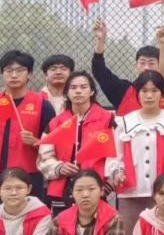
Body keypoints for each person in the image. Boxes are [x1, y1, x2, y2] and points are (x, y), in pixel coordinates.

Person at [0, 50, 56, 216]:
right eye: (9, 70)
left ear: (29, 74)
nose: (14, 75)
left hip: (27, 180)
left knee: (28, 226)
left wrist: (35, 142)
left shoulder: (42, 105)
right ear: (2, 74)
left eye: (20, 70)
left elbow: (55, 146)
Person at [108, 70, 164, 235]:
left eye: (154, 90)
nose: (149, 96)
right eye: (144, 91)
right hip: (131, 192)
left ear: (162, 94)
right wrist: (117, 173)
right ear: (137, 93)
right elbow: (115, 156)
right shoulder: (124, 122)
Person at [37, 71, 116, 214]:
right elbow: (44, 157)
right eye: (73, 88)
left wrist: (106, 187)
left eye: (83, 87)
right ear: (67, 92)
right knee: (63, 226)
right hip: (62, 191)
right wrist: (59, 167)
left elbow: (116, 156)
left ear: (92, 91)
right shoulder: (56, 123)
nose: (78, 91)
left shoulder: (107, 120)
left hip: (96, 191)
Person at [91, 20, 164, 114]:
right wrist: (100, 42)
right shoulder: (123, 91)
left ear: (159, 66)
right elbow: (99, 71)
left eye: (151, 63)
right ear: (135, 66)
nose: (146, 67)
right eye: (142, 63)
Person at [45, 170, 127, 235]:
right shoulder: (59, 221)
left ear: (101, 191)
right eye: (79, 190)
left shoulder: (113, 219)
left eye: (91, 189)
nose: (85, 195)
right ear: (72, 193)